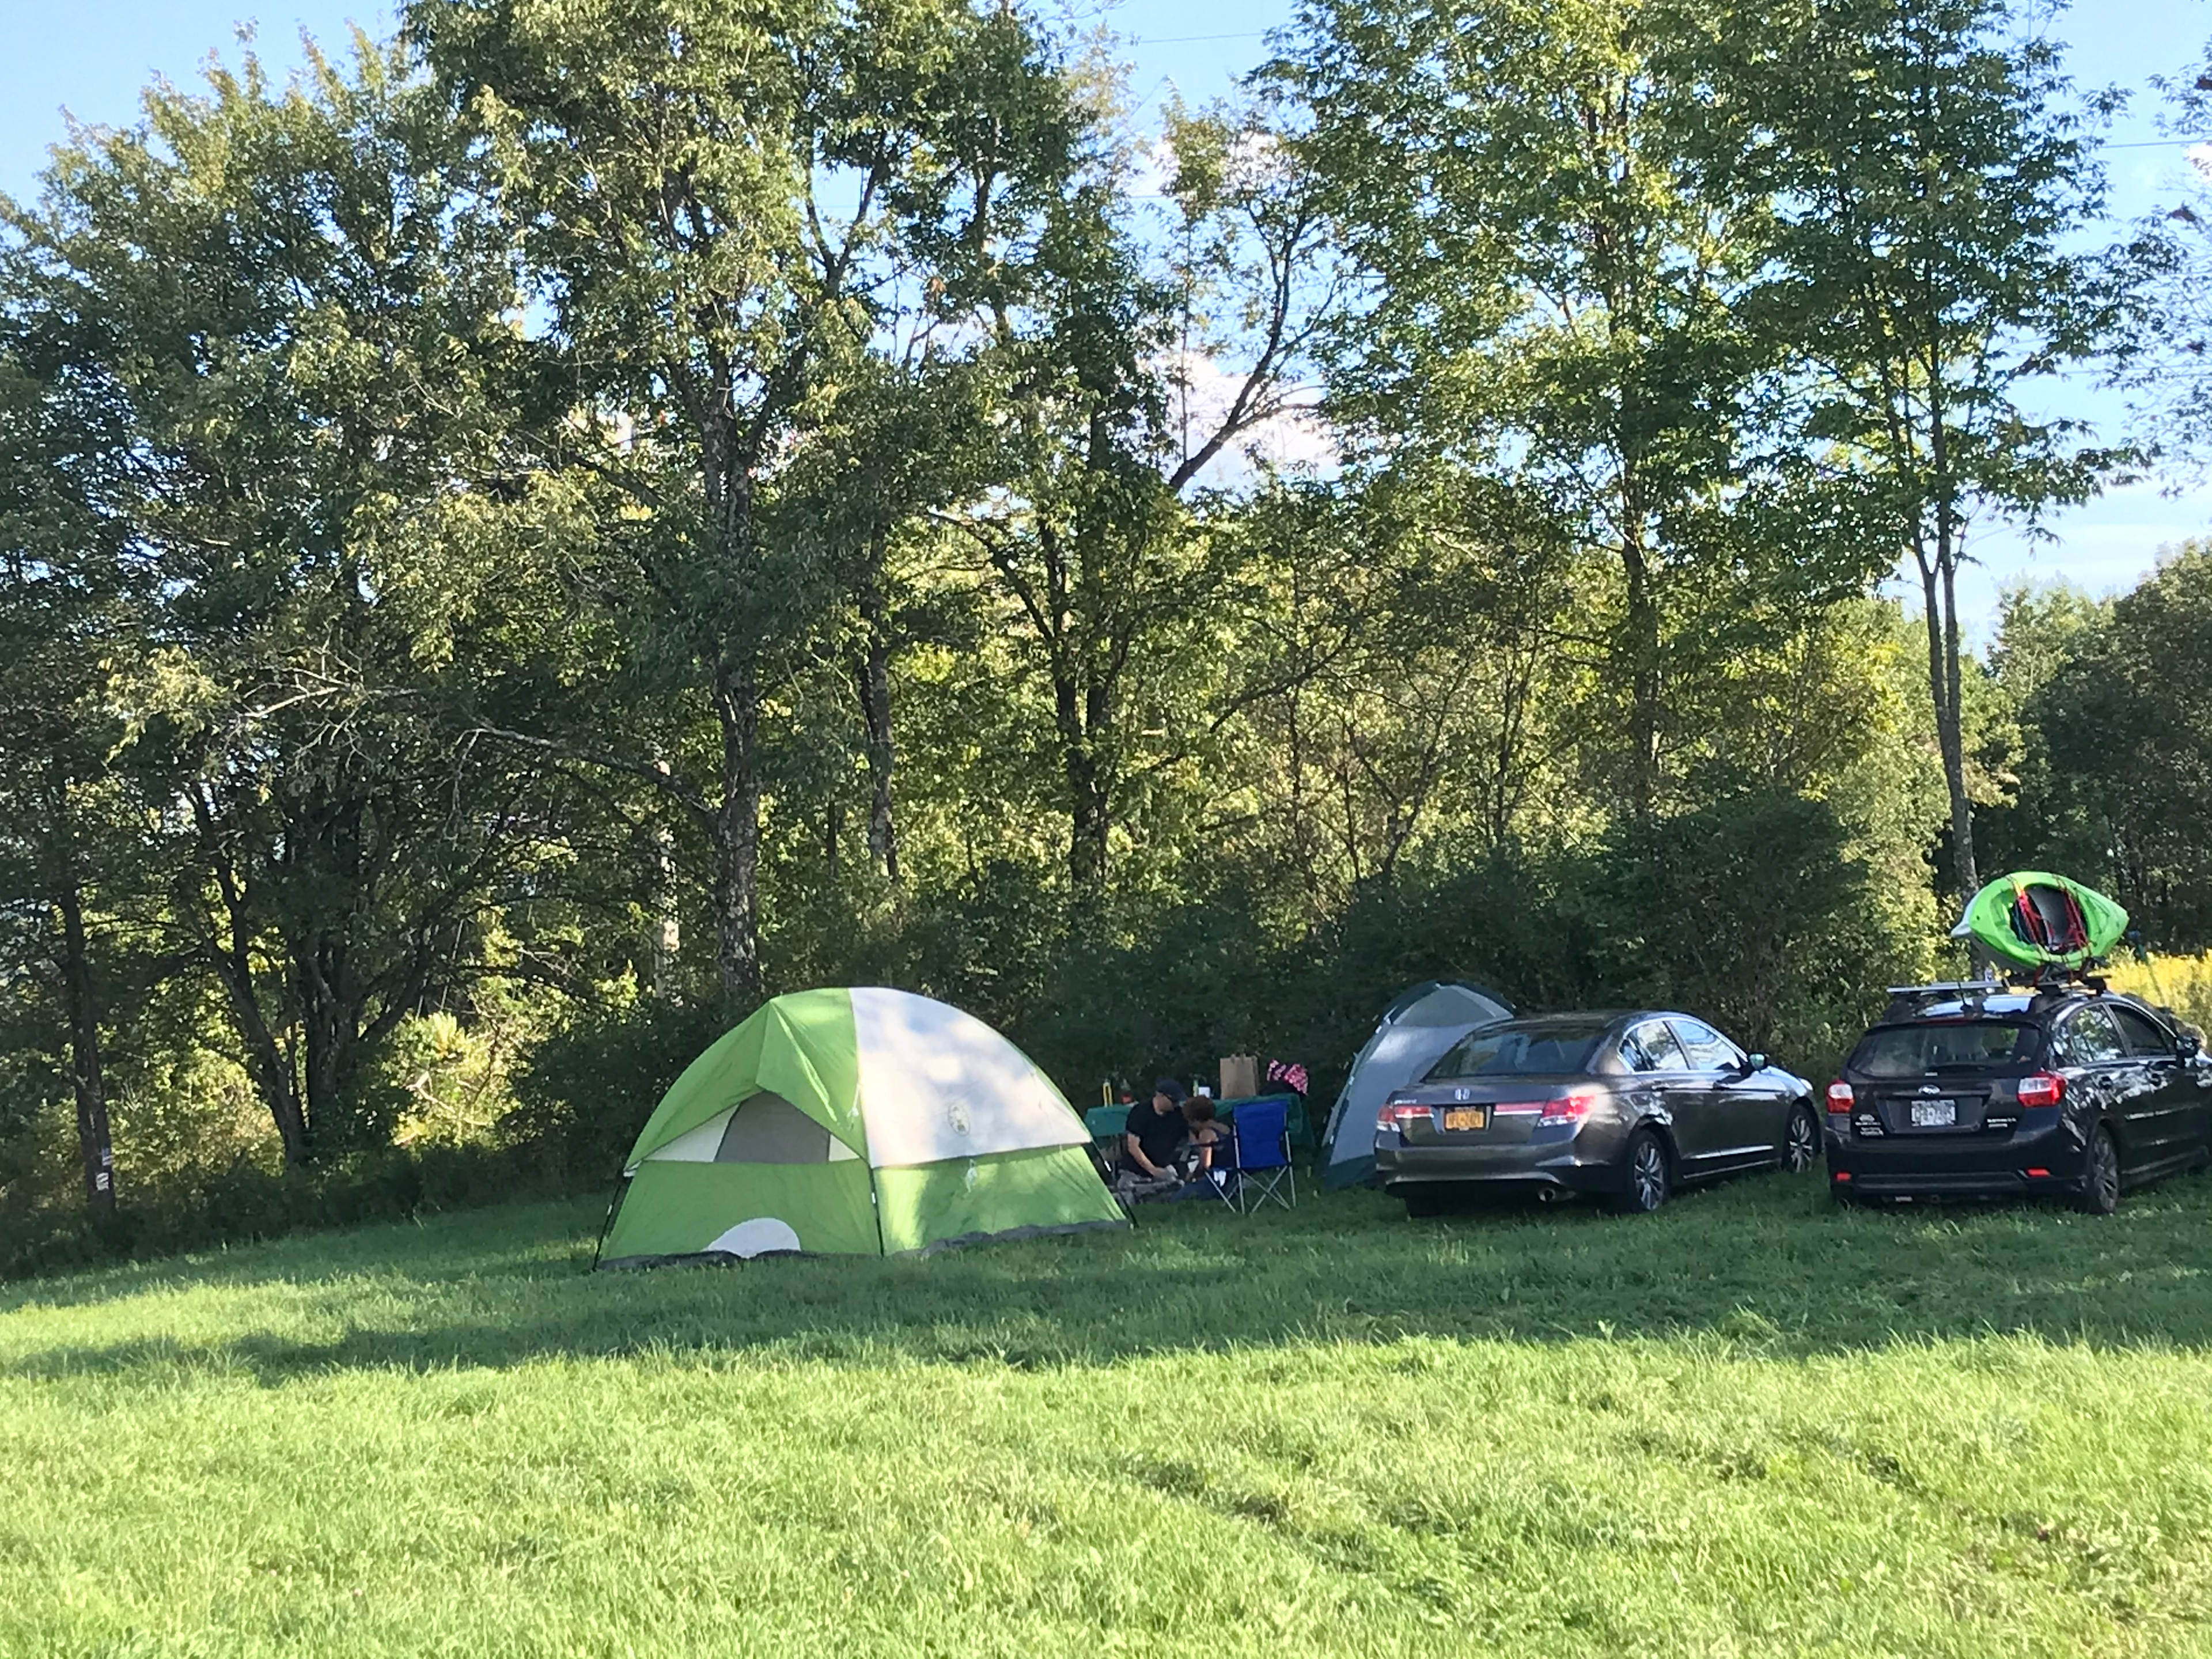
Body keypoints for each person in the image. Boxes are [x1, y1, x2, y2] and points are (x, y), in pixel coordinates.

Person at [1119, 1079, 1190, 1187]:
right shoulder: (1140, 1112)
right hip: (1135, 1171)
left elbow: (1193, 1136)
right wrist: (1153, 1170)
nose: (1176, 1105)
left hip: (1165, 1168)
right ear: (1160, 1095)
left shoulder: (1178, 1115)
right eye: (1174, 1100)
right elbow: (1133, 1147)